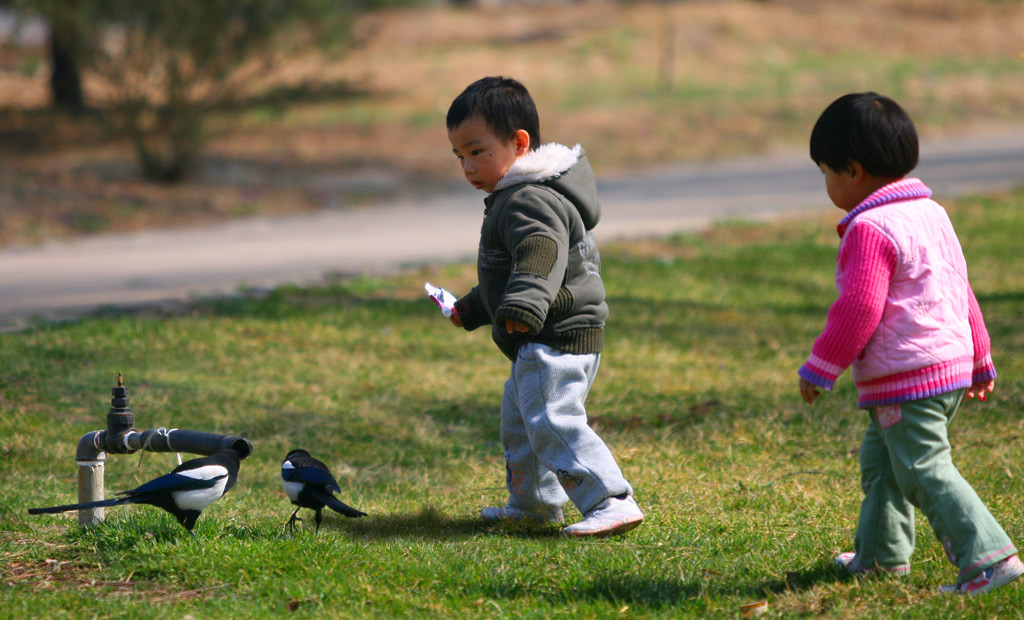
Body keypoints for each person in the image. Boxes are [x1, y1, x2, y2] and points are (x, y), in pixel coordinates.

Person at [797, 92, 1022, 595]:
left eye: (826, 172)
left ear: (853, 171)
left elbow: (859, 308)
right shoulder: (931, 214)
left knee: (923, 469)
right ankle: (880, 558)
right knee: (885, 467)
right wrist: (980, 354)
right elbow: (958, 285)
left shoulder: (870, 227)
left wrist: (821, 367)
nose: (827, 183)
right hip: (948, 367)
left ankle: (989, 558)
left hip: (909, 378)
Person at [444, 76, 642, 537]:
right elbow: (509, 273)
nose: (468, 166)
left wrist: (524, 305)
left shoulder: (525, 199)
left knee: (552, 419)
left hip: (553, 334)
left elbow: (539, 253)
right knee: (521, 423)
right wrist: (474, 308)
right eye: (459, 156)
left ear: (518, 142)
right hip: (545, 330)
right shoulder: (523, 194)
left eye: (477, 151)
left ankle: (611, 499)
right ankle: (533, 505)